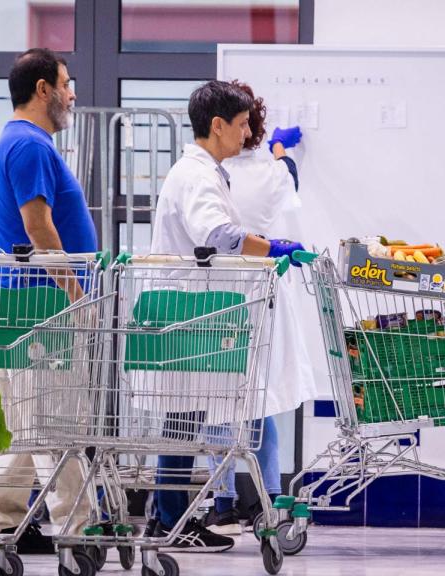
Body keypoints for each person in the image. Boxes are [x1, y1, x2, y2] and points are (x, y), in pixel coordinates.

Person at [147, 80, 306, 552]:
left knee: (185, 418)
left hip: (190, 311)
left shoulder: (206, 170)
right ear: (217, 126)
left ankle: (169, 520)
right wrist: (270, 247)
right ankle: (169, 522)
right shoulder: (196, 174)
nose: (245, 134)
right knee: (182, 418)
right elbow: (216, 232)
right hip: (184, 312)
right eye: (240, 125)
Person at [0, 47, 93, 553]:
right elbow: (38, 227)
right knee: (56, 420)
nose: (71, 94)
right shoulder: (31, 146)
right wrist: (76, 291)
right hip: (43, 306)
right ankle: (77, 530)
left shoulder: (15, 141)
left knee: (21, 421)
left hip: (18, 307)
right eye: (66, 84)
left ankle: (1, 524)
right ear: (43, 88)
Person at [203, 82, 318, 535]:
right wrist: (279, 149)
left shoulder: (208, 171)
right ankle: (265, 496)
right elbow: (287, 180)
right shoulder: (266, 171)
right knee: (258, 398)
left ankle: (222, 496)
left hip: (215, 296)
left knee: (216, 398)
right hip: (259, 290)